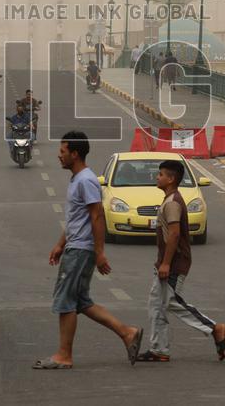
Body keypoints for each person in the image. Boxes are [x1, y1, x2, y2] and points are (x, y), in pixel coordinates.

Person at [33, 131, 143, 370]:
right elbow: (77, 218)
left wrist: (99, 252)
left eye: (62, 152)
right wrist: (60, 244)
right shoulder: (77, 179)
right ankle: (127, 333)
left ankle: (64, 355)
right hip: (76, 246)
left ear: (75, 154)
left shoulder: (86, 180)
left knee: (65, 302)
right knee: (82, 302)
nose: (59, 156)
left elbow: (97, 216)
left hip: (81, 250)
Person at [138, 160, 225, 363]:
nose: (157, 177)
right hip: (167, 261)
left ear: (171, 179)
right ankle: (159, 349)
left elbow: (173, 235)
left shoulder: (172, 202)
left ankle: (215, 329)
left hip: (173, 262)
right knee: (156, 304)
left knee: (170, 301)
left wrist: (165, 263)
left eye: (161, 174)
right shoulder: (170, 199)